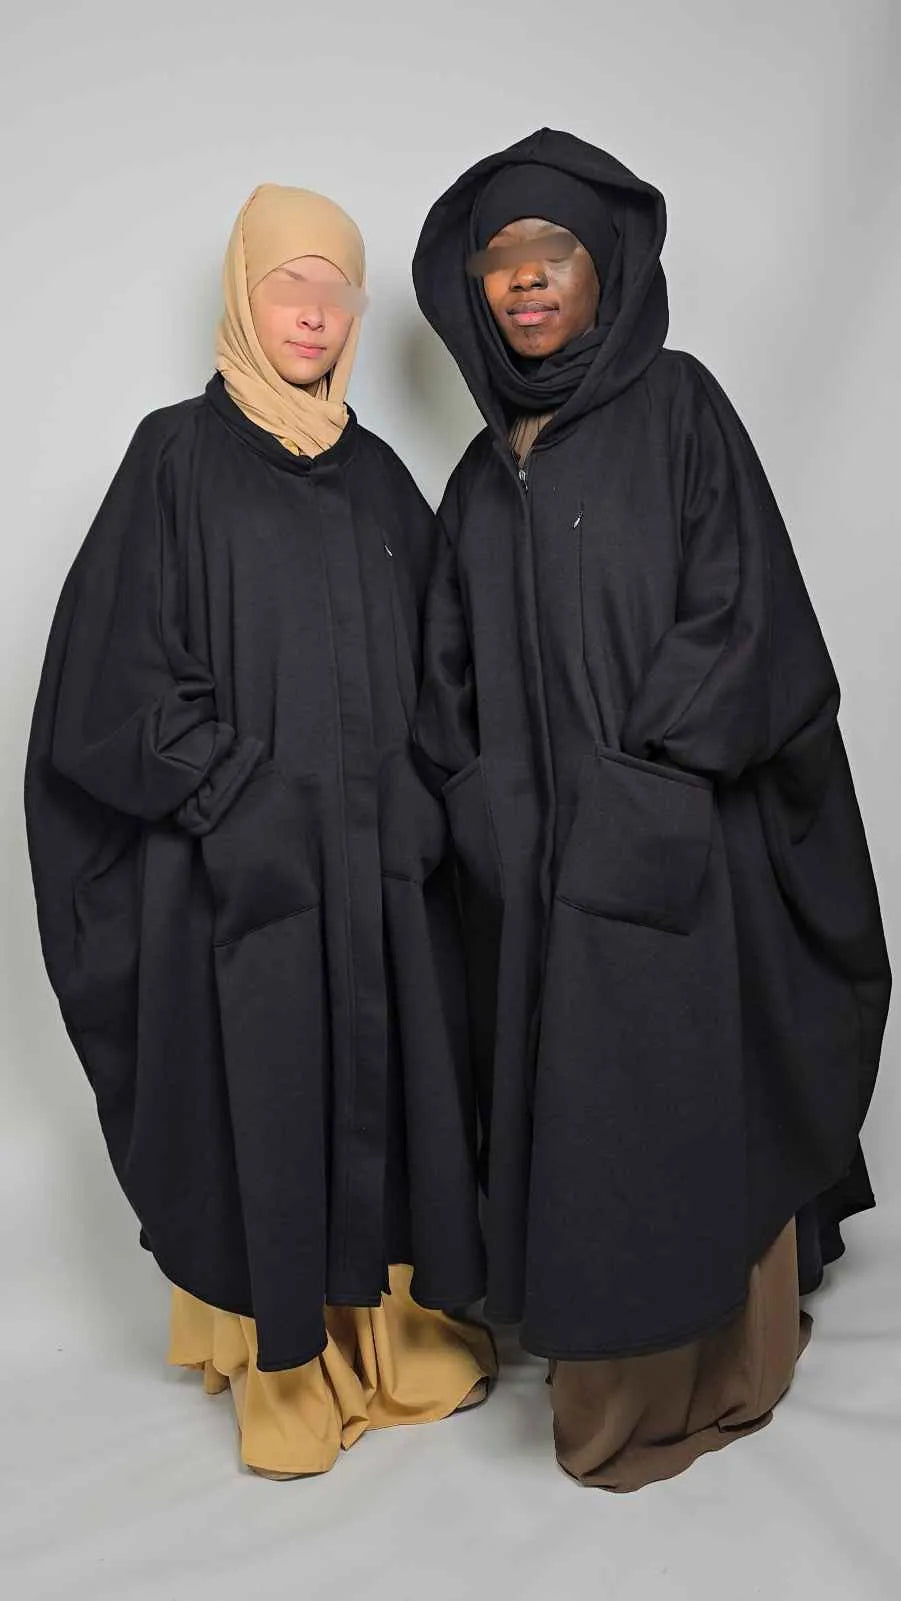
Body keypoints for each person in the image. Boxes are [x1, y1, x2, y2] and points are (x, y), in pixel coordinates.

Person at [411, 129, 890, 1490]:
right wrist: (484, 807)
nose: (522, 285)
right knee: (579, 1124)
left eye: (547, 254)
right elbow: (443, 681)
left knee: (682, 1102)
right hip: (537, 879)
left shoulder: (681, 410)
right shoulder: (474, 475)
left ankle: (713, 1367)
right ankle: (601, 1363)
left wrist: (641, 780)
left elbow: (747, 620)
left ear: (603, 268)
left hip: (674, 854)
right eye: (497, 264)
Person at [25, 183, 494, 1479]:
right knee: (257, 1096)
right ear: (242, 291)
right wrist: (232, 794)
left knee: (393, 1090)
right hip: (242, 881)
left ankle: (391, 1338)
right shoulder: (172, 459)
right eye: (288, 282)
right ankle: (276, 1365)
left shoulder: (384, 479)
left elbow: (448, 671)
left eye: (333, 288)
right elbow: (108, 683)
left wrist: (416, 801)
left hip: (378, 881)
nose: (311, 311)